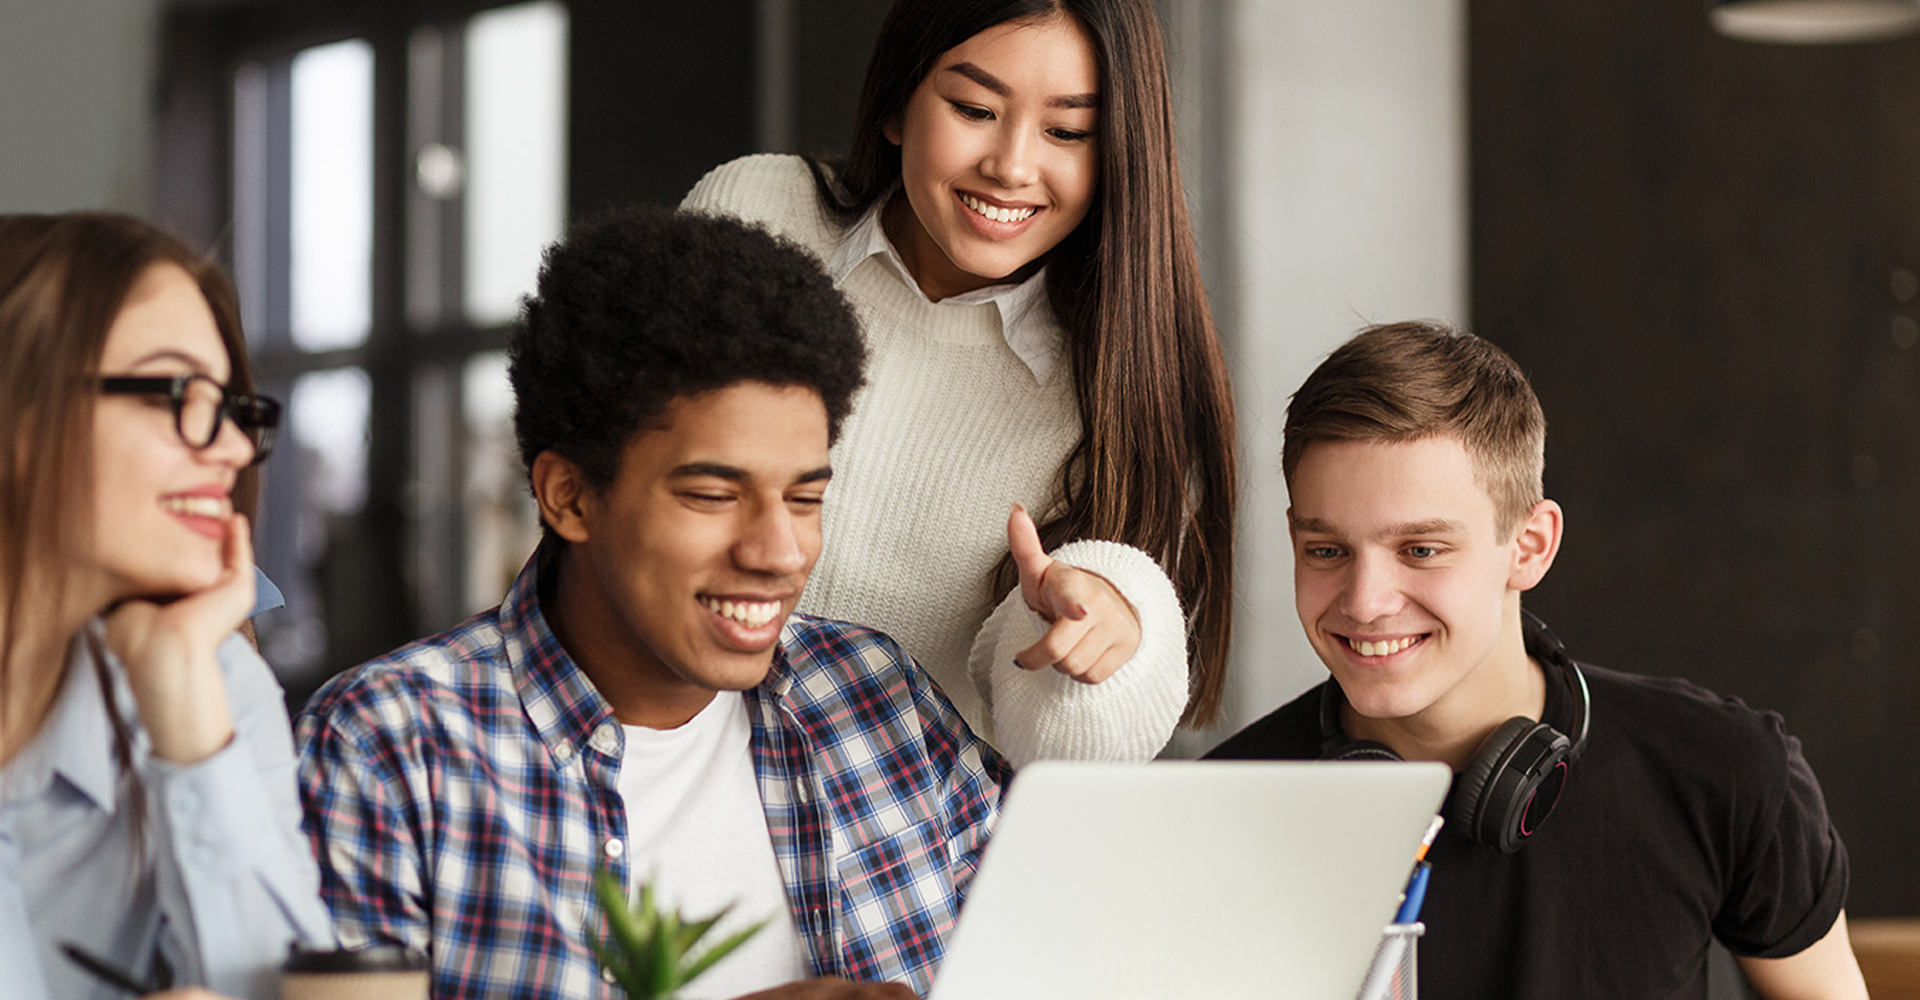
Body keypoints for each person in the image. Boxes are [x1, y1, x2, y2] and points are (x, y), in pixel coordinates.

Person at [296, 207, 1010, 1000]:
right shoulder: (392, 748)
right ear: (569, 497)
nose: (778, 552)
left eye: (804, 498)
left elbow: (1065, 950)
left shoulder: (876, 696)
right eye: (712, 494)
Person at [1206, 321, 1867, 1000]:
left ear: (1528, 546)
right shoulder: (1212, 817)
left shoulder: (1725, 771)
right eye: (1326, 551)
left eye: (1421, 550)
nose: (1366, 601)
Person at [681, 0, 1237, 767]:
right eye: (975, 108)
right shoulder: (756, 214)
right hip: (646, 774)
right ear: (896, 106)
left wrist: (1099, 653)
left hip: (884, 850)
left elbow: (1060, 752)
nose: (1011, 166)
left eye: (1067, 131)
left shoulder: (1114, 382)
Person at [0, 212, 332, 1000]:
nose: (233, 448)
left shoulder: (213, 677)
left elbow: (291, 987)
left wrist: (183, 697)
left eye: (232, 407)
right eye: (181, 392)